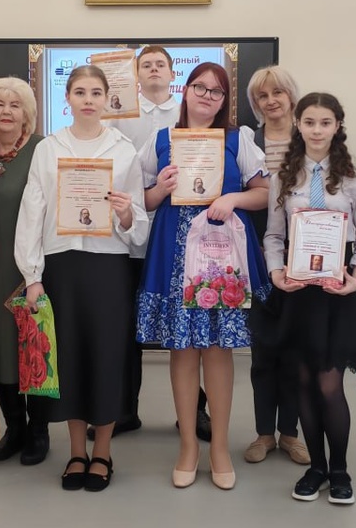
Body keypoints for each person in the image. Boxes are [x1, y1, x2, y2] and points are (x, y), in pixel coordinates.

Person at [137, 62, 271, 490]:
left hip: (220, 252)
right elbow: (143, 200)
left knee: (217, 348)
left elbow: (264, 192)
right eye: (200, 87)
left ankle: (219, 448)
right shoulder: (160, 140)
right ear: (186, 90)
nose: (207, 96)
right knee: (182, 350)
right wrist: (161, 187)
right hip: (174, 252)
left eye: (217, 91)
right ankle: (188, 447)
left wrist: (233, 198)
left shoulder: (238, 139)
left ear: (224, 99)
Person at [14, 66, 147, 491]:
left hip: (109, 266)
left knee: (106, 357)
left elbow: (138, 220)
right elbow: (32, 212)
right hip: (61, 266)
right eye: (79, 92)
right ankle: (75, 452)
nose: (88, 100)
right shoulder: (48, 149)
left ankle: (102, 452)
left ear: (108, 99)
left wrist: (125, 214)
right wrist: (32, 275)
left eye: (96, 92)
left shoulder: (124, 149)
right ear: (67, 98)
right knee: (69, 359)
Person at [265, 93, 356, 506]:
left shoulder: (354, 177)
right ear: (298, 124)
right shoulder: (283, 176)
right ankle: (316, 469)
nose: (316, 130)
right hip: (297, 290)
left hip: (336, 290)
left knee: (329, 384)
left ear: (337, 126)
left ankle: (340, 471)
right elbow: (274, 235)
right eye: (309, 122)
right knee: (305, 382)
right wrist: (276, 273)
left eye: (325, 122)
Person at [115, 45, 211, 440]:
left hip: (179, 236)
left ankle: (194, 411)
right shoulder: (118, 115)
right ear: (136, 75)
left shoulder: (188, 115)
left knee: (184, 324)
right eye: (146, 65)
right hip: (130, 236)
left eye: (161, 64)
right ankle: (124, 410)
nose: (154, 69)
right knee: (127, 326)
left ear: (174, 74)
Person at [0, 77, 49, 467]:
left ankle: (39, 431)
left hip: (31, 267)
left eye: (15, 104)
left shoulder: (42, 149)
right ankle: (14, 428)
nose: (6, 111)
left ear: (28, 113)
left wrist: (36, 269)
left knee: (32, 344)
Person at [244, 65, 309, 467]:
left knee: (297, 350)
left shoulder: (312, 138)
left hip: (306, 254)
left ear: (291, 96)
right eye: (262, 96)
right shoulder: (246, 141)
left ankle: (291, 434)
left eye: (278, 93)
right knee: (263, 348)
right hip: (256, 255)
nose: (271, 101)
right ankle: (264, 433)